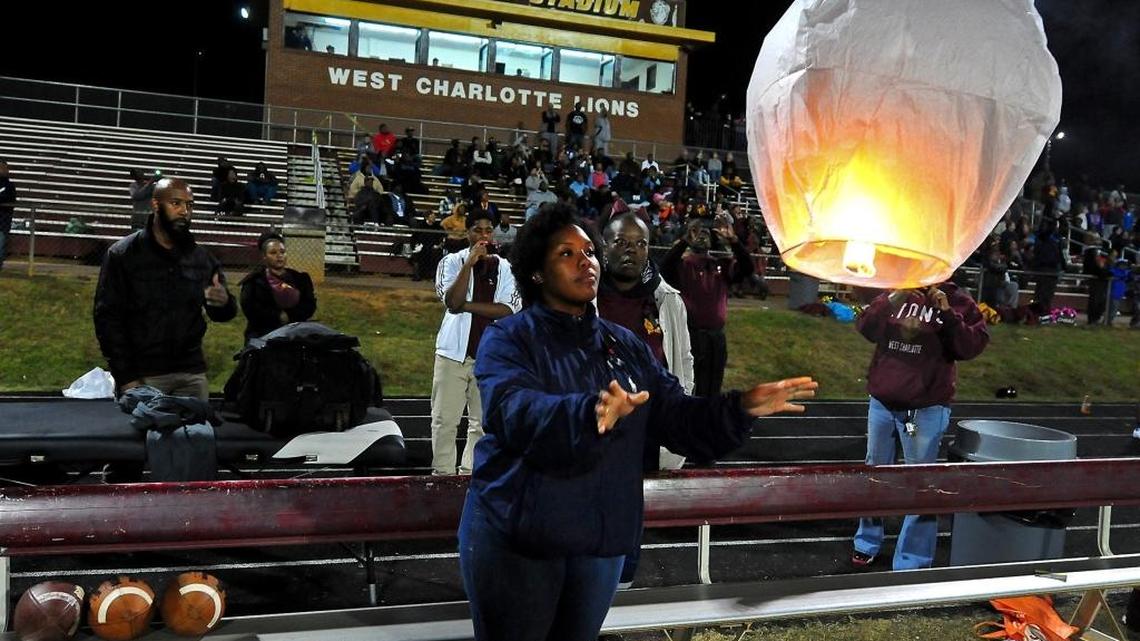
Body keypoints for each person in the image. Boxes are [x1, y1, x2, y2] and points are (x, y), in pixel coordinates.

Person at [459, 203, 817, 641]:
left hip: (599, 543)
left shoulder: (624, 345)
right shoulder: (510, 338)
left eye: (589, 251)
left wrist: (737, 408)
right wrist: (587, 413)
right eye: (566, 254)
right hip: (521, 542)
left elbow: (675, 415)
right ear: (536, 272)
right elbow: (513, 411)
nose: (585, 261)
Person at [851, 284, 989, 570]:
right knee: (874, 474)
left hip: (924, 409)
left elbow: (971, 346)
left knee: (920, 483)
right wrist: (893, 298)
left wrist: (948, 314)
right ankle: (867, 540)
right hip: (882, 404)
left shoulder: (958, 299)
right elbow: (865, 326)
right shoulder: (897, 290)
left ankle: (912, 559)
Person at [94, 177, 237, 400]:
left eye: (189, 205)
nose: (184, 211)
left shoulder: (201, 258)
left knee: (197, 434)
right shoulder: (123, 255)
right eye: (176, 203)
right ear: (155, 204)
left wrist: (224, 302)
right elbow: (107, 320)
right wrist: (126, 378)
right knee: (148, 435)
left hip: (191, 374)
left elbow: (224, 313)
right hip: (144, 376)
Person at [431, 209, 521, 475]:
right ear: (467, 232)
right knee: (444, 421)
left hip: (489, 357)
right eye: (477, 230)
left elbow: (507, 310)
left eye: (488, 230)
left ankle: (470, 474)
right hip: (452, 354)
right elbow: (451, 301)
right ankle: (442, 475)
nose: (483, 235)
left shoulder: (505, 269)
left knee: (481, 423)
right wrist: (469, 265)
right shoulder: (451, 262)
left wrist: (467, 305)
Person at [661, 216, 754, 397]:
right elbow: (664, 268)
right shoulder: (683, 265)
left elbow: (747, 268)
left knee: (712, 387)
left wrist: (734, 241)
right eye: (697, 233)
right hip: (689, 336)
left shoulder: (721, 265)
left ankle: (706, 423)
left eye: (706, 233)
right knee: (684, 386)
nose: (702, 236)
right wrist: (683, 242)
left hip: (715, 339)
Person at [239, 232, 316, 343]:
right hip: (263, 333)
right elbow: (251, 309)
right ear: (264, 257)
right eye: (273, 253)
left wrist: (290, 316)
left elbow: (309, 305)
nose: (279, 256)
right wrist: (277, 316)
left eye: (282, 252)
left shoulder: (301, 279)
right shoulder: (253, 282)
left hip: (295, 331)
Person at [0, 159, 15, 270]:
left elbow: (9, 199)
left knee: (1, 243)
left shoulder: (9, 185)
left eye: (4, 168)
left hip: (2, 221)